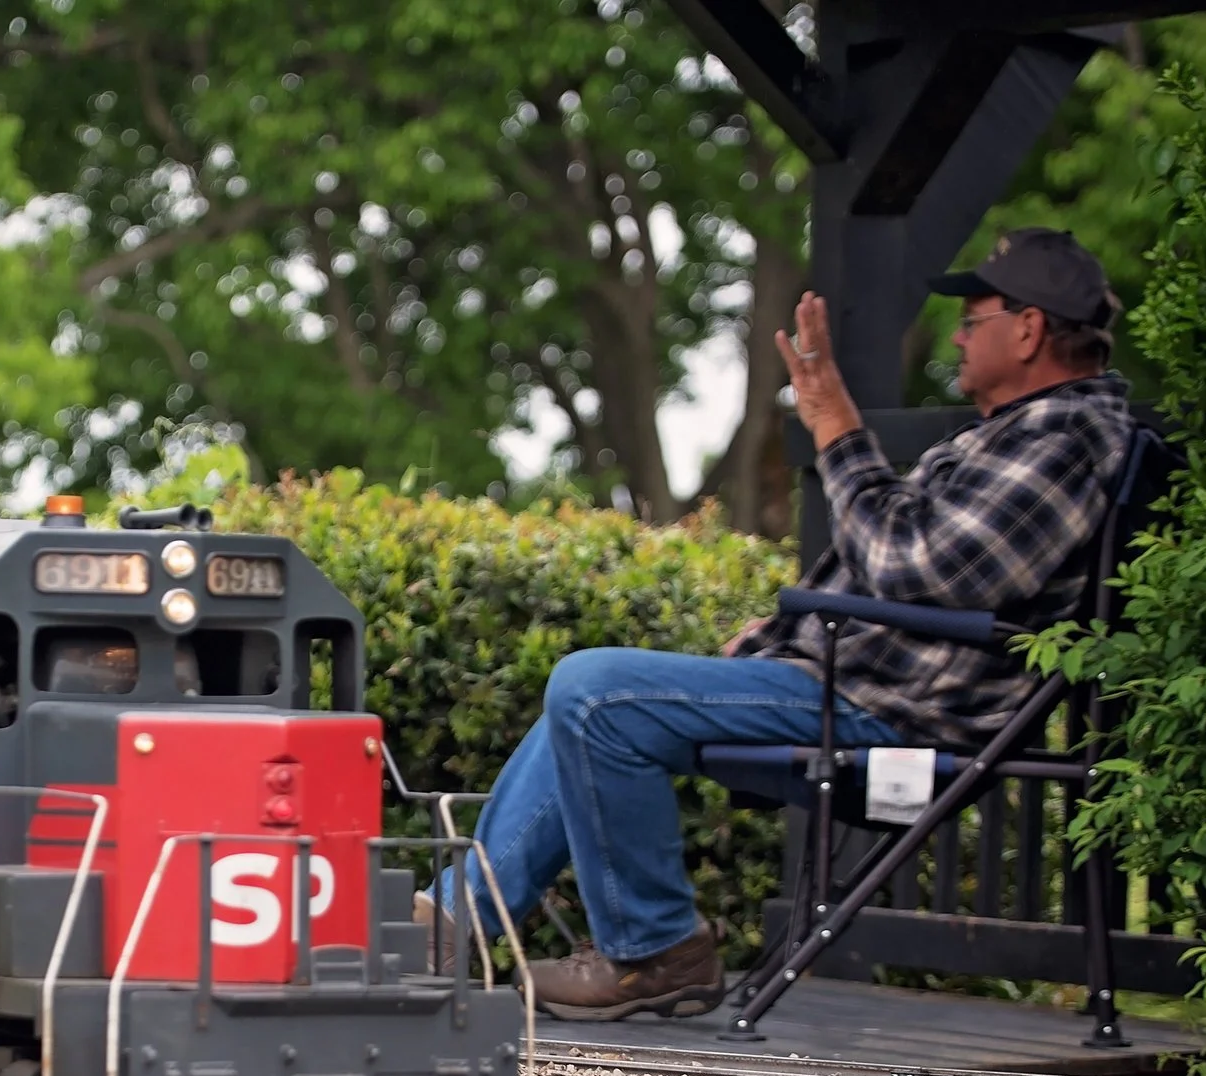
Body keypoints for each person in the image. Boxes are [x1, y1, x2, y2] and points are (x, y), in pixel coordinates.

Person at [433, 227, 1135, 1021]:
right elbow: (912, 572)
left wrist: (837, 425)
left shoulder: (1062, 439)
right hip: (850, 688)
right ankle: (446, 925)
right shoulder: (1020, 434)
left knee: (595, 693)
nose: (957, 338)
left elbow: (912, 565)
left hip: (892, 719)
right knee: (589, 700)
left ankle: (654, 950)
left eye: (973, 321)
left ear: (1030, 329)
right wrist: (777, 639)